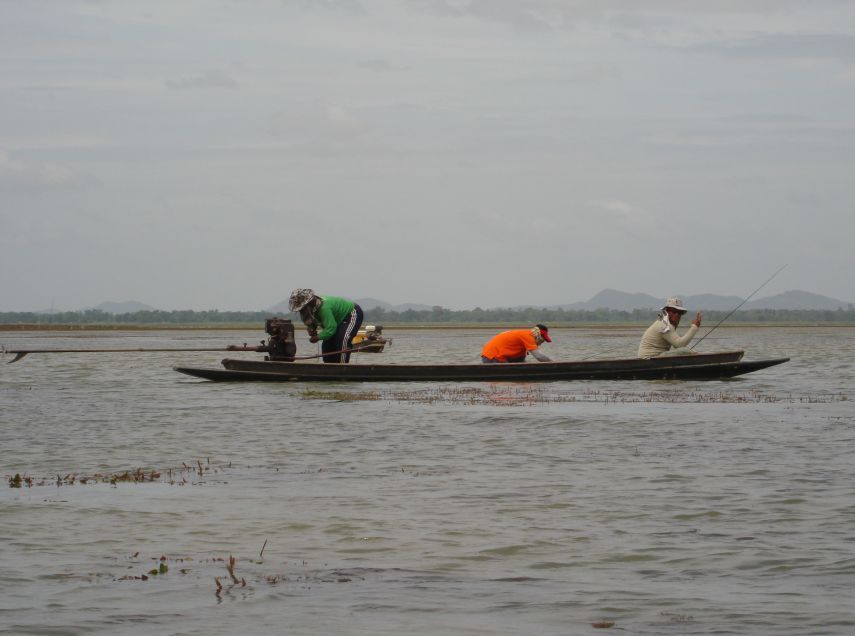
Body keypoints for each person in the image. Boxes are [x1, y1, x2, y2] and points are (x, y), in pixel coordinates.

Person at [288, 289, 364, 363]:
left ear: (309, 304)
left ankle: (342, 366)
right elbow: (311, 323)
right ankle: (329, 367)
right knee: (327, 345)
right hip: (336, 320)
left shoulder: (324, 308)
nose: (302, 311)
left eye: (303, 309)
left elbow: (331, 328)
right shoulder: (308, 312)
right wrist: (311, 329)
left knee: (342, 338)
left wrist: (317, 337)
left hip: (351, 313)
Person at [637, 297, 703, 358]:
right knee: (684, 350)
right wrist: (694, 327)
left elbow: (676, 345)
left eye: (679, 313)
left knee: (685, 350)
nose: (677, 315)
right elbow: (679, 345)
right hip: (651, 358)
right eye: (674, 311)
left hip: (653, 357)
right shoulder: (665, 325)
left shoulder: (664, 322)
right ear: (667, 311)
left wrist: (691, 351)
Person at [481, 324, 553, 363]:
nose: (541, 342)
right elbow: (539, 357)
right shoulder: (528, 335)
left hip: (495, 355)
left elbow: (521, 360)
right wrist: (553, 363)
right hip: (491, 357)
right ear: (538, 334)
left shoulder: (525, 336)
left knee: (521, 357)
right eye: (542, 338)